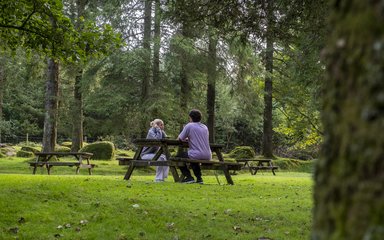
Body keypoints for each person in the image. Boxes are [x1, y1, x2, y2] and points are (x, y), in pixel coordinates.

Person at [177, 109, 211, 184]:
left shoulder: (189, 125)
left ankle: (189, 177)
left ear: (190, 118)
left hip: (196, 154)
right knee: (192, 159)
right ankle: (199, 179)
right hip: (208, 155)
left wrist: (186, 139)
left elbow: (179, 139)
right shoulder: (204, 127)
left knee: (178, 157)